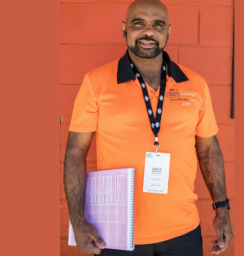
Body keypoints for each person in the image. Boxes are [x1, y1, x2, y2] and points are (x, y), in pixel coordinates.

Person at [64, 0, 233, 255]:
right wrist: (77, 220)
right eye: (138, 23)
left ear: (168, 31)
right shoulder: (96, 82)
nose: (148, 32)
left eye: (157, 24)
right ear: (124, 29)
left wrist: (222, 208)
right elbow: (75, 151)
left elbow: (208, 149)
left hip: (183, 232)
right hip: (116, 233)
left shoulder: (195, 84)